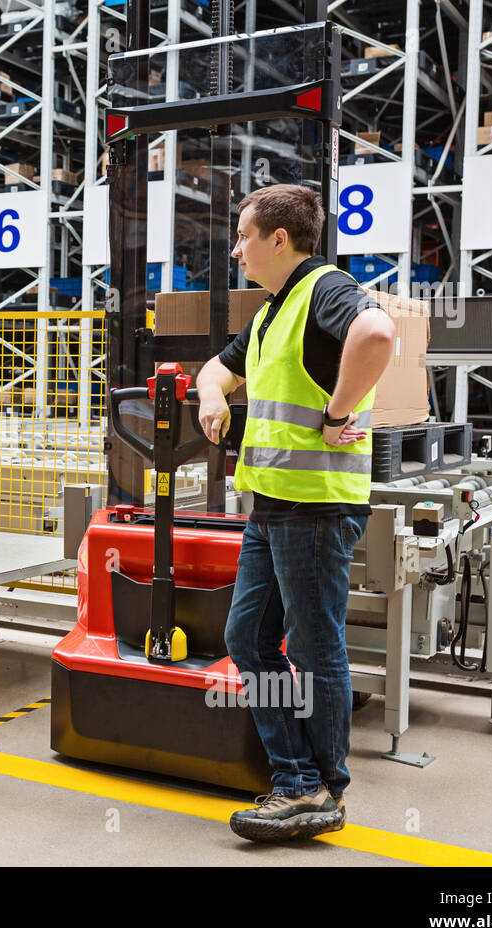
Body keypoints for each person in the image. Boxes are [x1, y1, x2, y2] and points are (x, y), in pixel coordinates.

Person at [195, 184, 395, 842]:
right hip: (273, 506)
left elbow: (377, 331)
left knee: (313, 647)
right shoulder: (272, 311)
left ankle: (320, 787)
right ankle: (296, 777)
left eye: (243, 237)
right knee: (249, 640)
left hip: (314, 509)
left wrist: (337, 411)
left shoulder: (325, 291)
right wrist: (211, 399)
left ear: (279, 239)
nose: (235, 250)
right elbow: (214, 371)